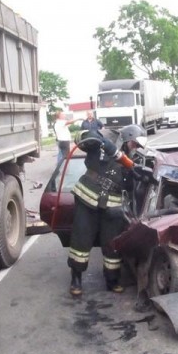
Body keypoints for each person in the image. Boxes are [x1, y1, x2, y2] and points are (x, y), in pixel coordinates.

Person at [67, 124, 148, 296]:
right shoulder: (103, 143)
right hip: (88, 196)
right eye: (135, 144)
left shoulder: (134, 161)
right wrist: (100, 139)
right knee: (81, 239)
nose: (136, 148)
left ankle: (112, 280)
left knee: (112, 243)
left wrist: (136, 176)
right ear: (127, 138)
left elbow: (132, 189)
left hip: (113, 205)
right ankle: (76, 279)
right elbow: (81, 137)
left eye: (138, 146)